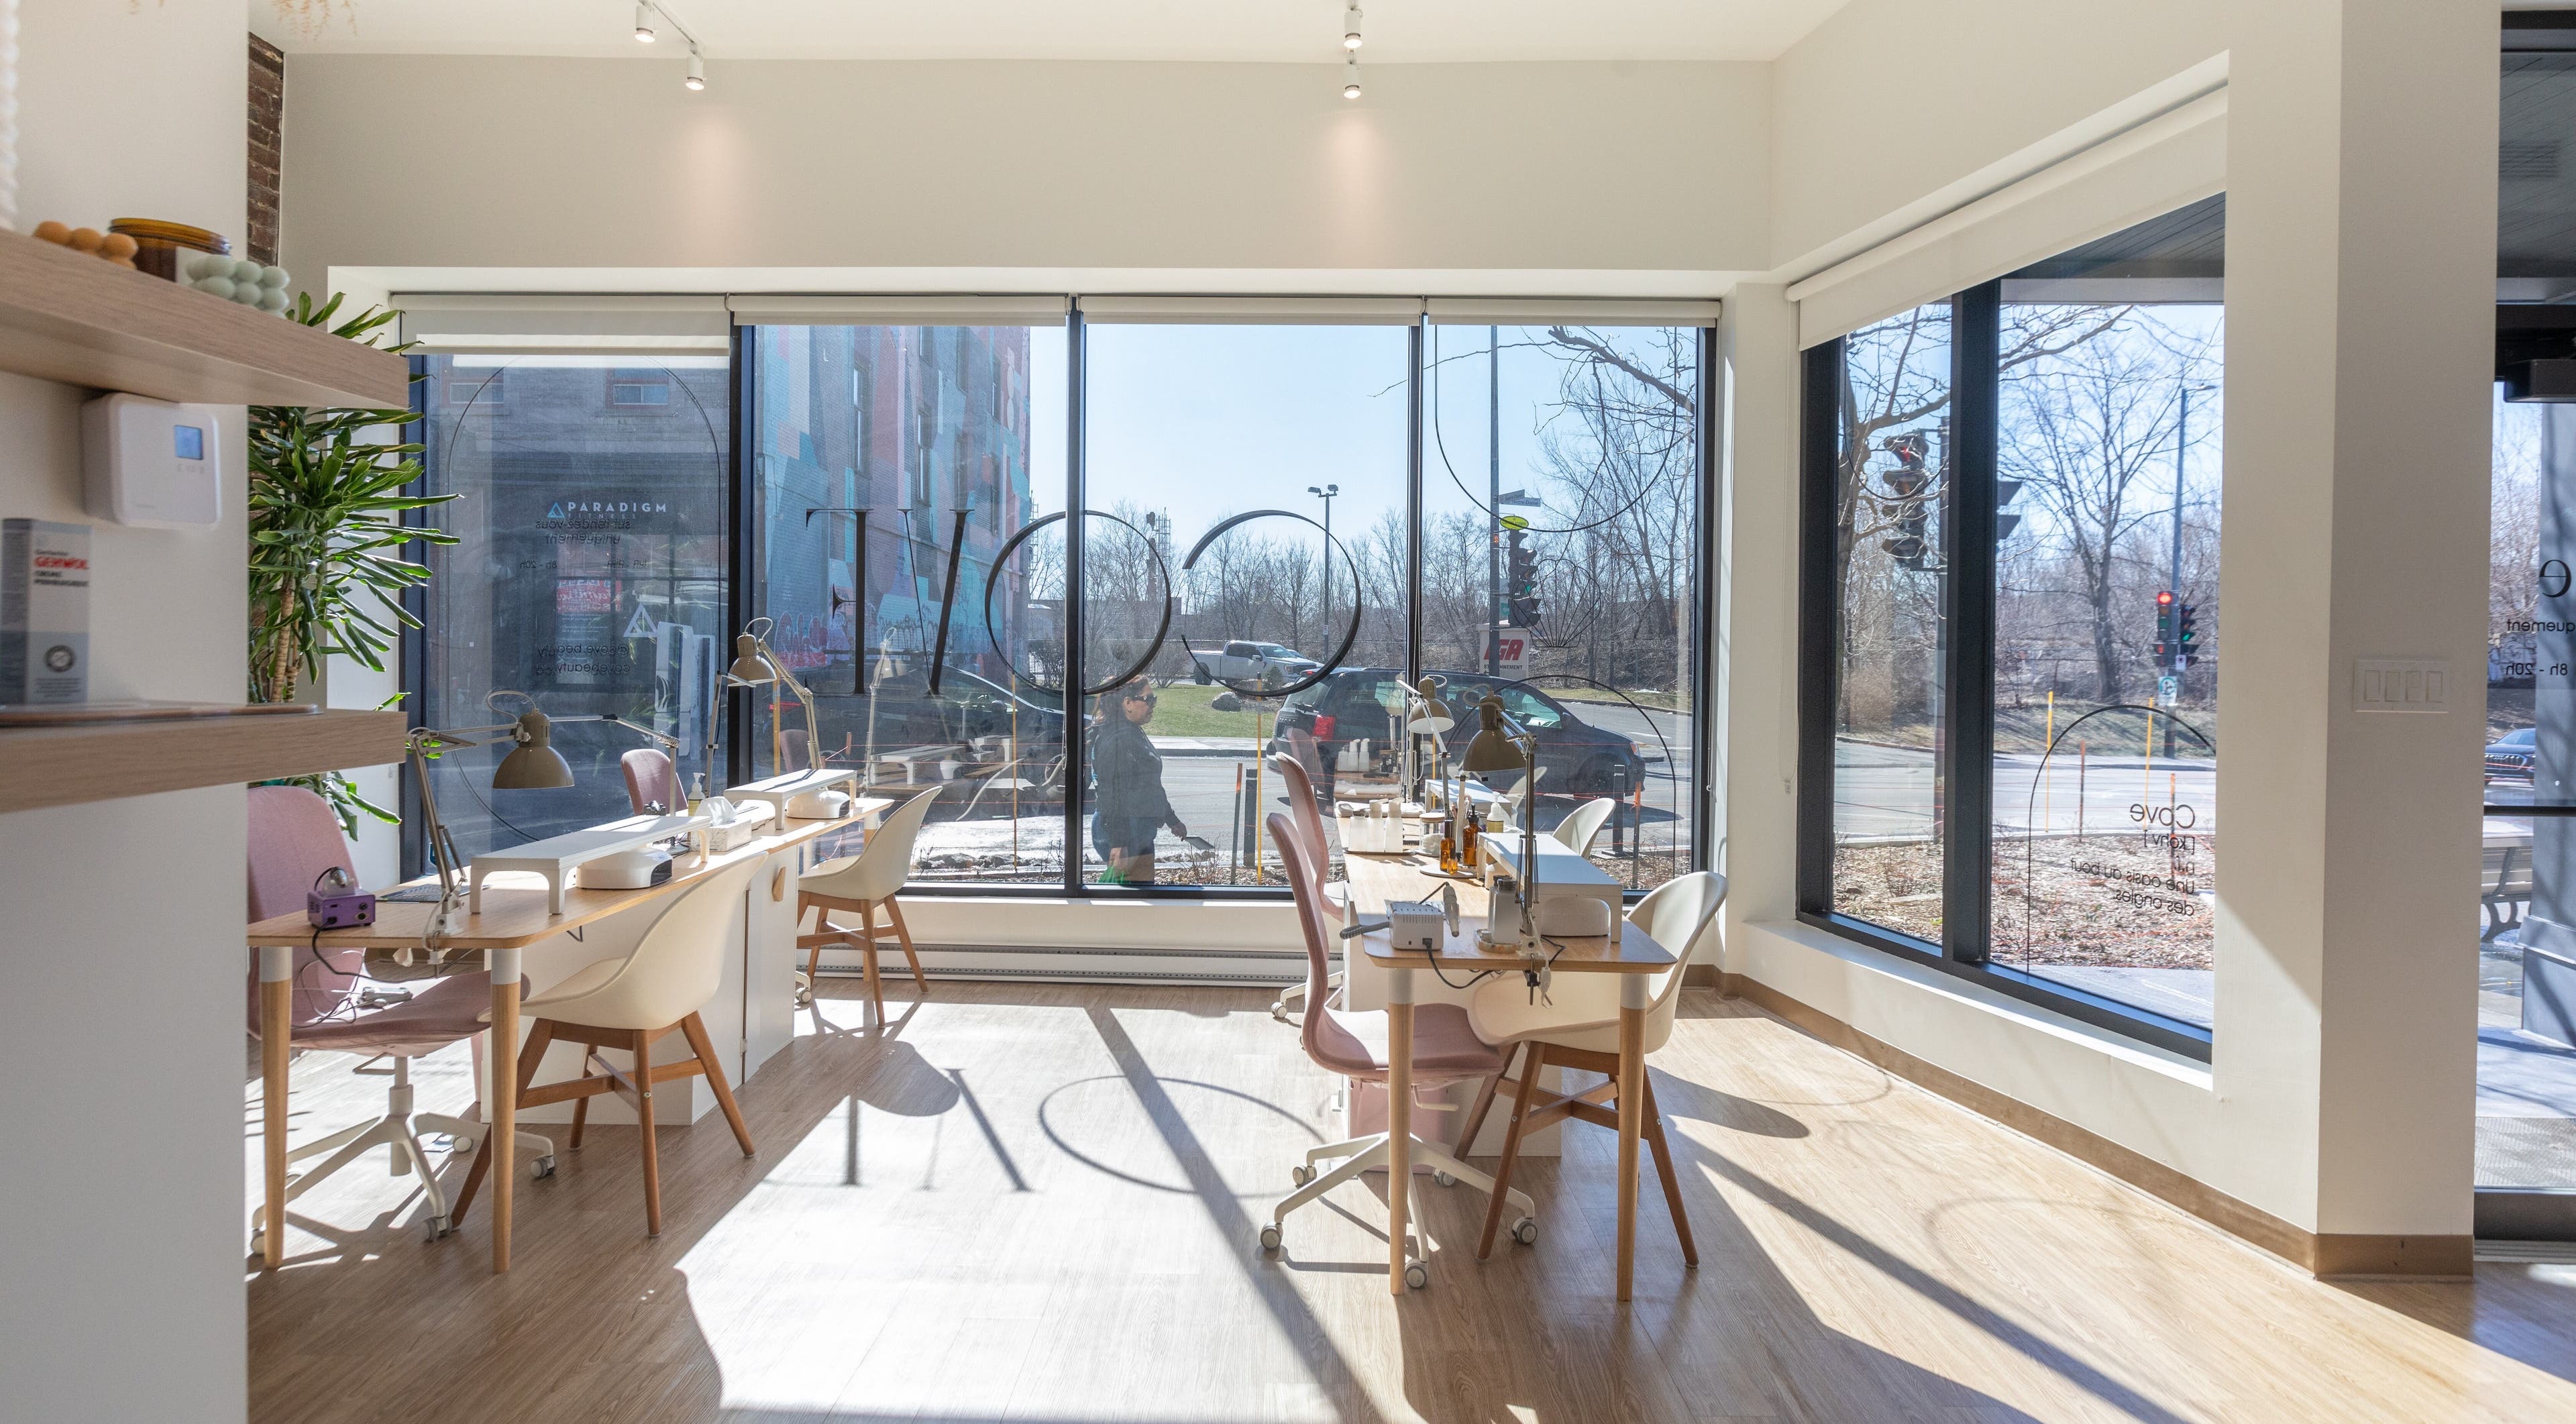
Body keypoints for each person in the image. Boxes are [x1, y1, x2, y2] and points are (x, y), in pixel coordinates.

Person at [1091, 678, 1185, 884]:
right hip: (1124, 831)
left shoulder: (1131, 732)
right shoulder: (1119, 739)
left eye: (1154, 699)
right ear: (1127, 703)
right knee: (1130, 904)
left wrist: (1171, 819)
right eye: (1148, 699)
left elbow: (1149, 784)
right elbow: (1114, 794)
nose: (1152, 704)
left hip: (1134, 829)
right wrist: (1119, 843)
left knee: (1133, 900)